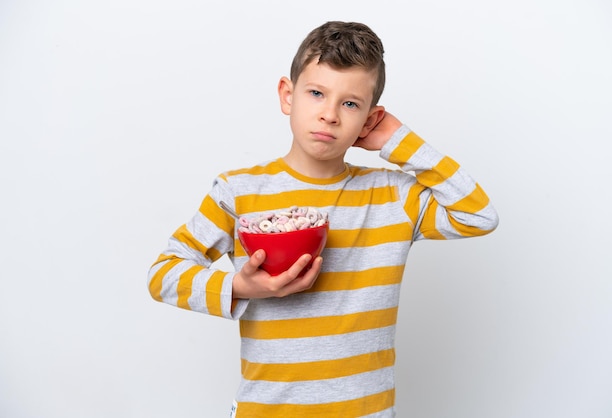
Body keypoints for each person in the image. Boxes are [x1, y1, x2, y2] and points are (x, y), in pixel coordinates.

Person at [148, 20, 498, 417]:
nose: (329, 115)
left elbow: (478, 215)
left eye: (350, 104)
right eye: (316, 93)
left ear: (370, 120)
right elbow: (163, 275)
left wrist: (401, 141)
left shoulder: (393, 196)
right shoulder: (238, 192)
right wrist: (240, 286)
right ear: (287, 95)